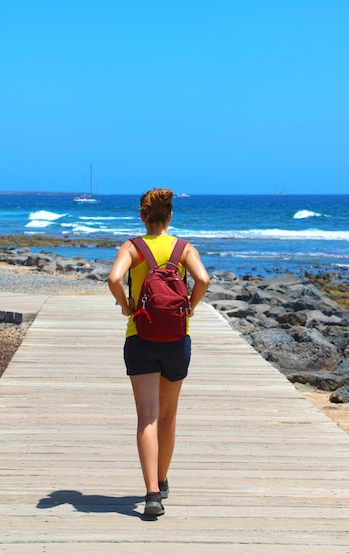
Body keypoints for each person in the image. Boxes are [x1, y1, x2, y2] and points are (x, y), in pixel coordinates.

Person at [108, 188, 210, 516]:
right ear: (170, 216)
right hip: (177, 339)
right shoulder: (183, 248)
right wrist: (190, 307)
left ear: (142, 216)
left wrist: (126, 306)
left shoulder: (132, 247)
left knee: (147, 417)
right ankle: (163, 480)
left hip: (140, 335)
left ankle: (152, 493)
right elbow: (203, 279)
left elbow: (113, 278)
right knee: (168, 415)